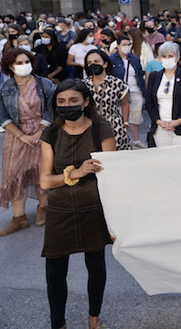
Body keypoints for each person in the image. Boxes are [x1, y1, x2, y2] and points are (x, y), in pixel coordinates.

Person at [39, 79, 116, 329]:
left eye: (73, 100)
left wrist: (116, 221)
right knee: (54, 272)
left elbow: (114, 180)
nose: (67, 105)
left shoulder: (101, 131)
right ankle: (57, 325)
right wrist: (76, 172)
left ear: (85, 102)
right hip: (60, 210)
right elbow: (45, 181)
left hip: (93, 208)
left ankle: (94, 321)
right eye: (61, 102)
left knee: (96, 267)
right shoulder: (50, 133)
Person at [0, 49, 55, 236]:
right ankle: (19, 217)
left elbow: (52, 108)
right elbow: (2, 115)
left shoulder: (43, 83)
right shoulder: (5, 87)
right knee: (13, 175)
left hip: (42, 132)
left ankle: (43, 208)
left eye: (27, 61)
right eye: (19, 63)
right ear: (10, 66)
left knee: (41, 171)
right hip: (16, 136)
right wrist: (21, 136)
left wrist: (40, 131)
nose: (24, 66)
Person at [147, 42, 181, 146]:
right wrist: (157, 121)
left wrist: (179, 120)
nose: (167, 59)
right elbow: (149, 102)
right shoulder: (154, 76)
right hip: (161, 128)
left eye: (170, 56)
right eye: (164, 56)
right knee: (165, 159)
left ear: (177, 57)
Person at [84, 49, 132, 151]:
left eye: (96, 61)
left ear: (105, 64)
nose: (93, 64)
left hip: (114, 128)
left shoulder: (117, 83)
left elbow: (125, 104)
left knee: (116, 159)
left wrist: (125, 124)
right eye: (89, 62)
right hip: (90, 128)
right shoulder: (83, 85)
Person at [109, 35, 146, 149]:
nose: (126, 47)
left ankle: (136, 141)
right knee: (121, 118)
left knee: (135, 117)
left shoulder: (134, 58)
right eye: (123, 45)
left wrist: (143, 90)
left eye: (128, 45)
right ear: (118, 46)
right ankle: (122, 140)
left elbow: (139, 74)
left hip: (135, 90)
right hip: (120, 92)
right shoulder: (112, 59)